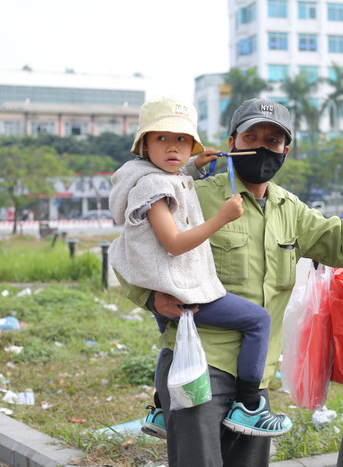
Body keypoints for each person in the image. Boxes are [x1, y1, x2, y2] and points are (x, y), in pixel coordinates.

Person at [116, 98, 343, 467]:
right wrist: (149, 298)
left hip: (254, 381)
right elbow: (131, 249)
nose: (261, 146)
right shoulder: (195, 195)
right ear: (232, 142)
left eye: (272, 140)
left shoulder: (292, 211)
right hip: (198, 366)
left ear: (285, 150)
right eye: (251, 136)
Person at [108, 96, 292, 440]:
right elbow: (174, 242)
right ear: (144, 144)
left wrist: (193, 165)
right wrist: (221, 217)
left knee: (172, 339)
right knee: (258, 320)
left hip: (165, 285)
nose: (173, 147)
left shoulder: (144, 176)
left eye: (182, 140)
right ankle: (250, 405)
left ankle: (161, 409)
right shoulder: (155, 187)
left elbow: (172, 178)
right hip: (183, 286)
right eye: (161, 138)